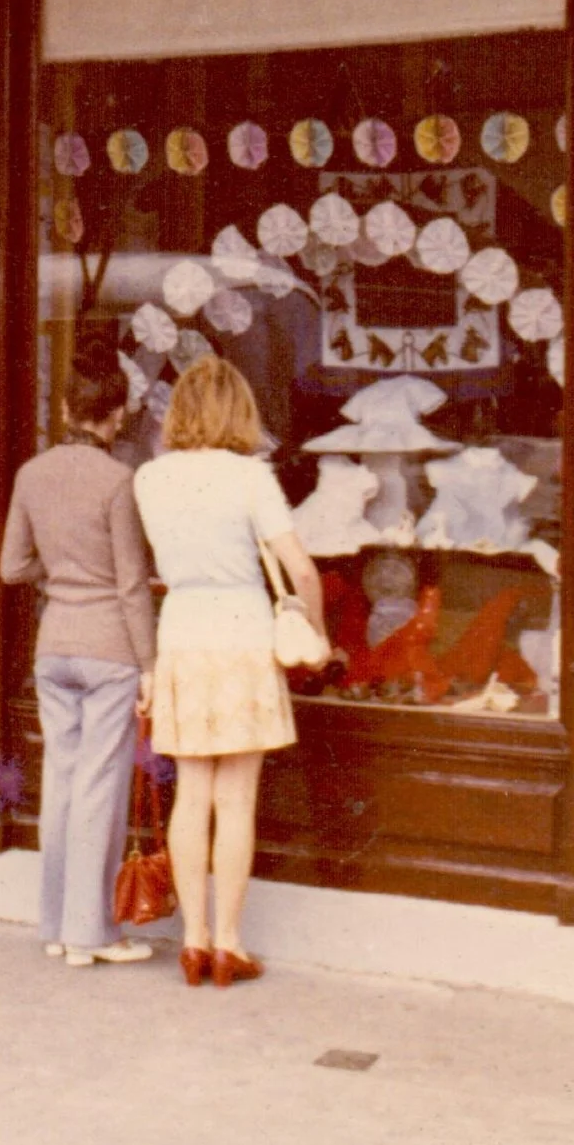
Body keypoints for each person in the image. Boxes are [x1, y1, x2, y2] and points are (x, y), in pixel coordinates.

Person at [132, 356, 324, 988]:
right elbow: (299, 568)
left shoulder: (150, 479)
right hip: (241, 632)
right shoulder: (250, 476)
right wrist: (317, 635)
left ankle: (192, 940)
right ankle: (231, 944)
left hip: (182, 632)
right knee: (236, 798)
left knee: (193, 793)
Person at [0, 331, 159, 968]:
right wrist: (150, 665)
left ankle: (58, 927)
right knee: (100, 787)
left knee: (61, 782)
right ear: (117, 415)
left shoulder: (32, 474)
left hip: (54, 645)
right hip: (110, 651)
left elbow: (12, 566)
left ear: (66, 410)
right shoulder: (119, 481)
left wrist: (58, 576)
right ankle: (92, 934)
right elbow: (130, 584)